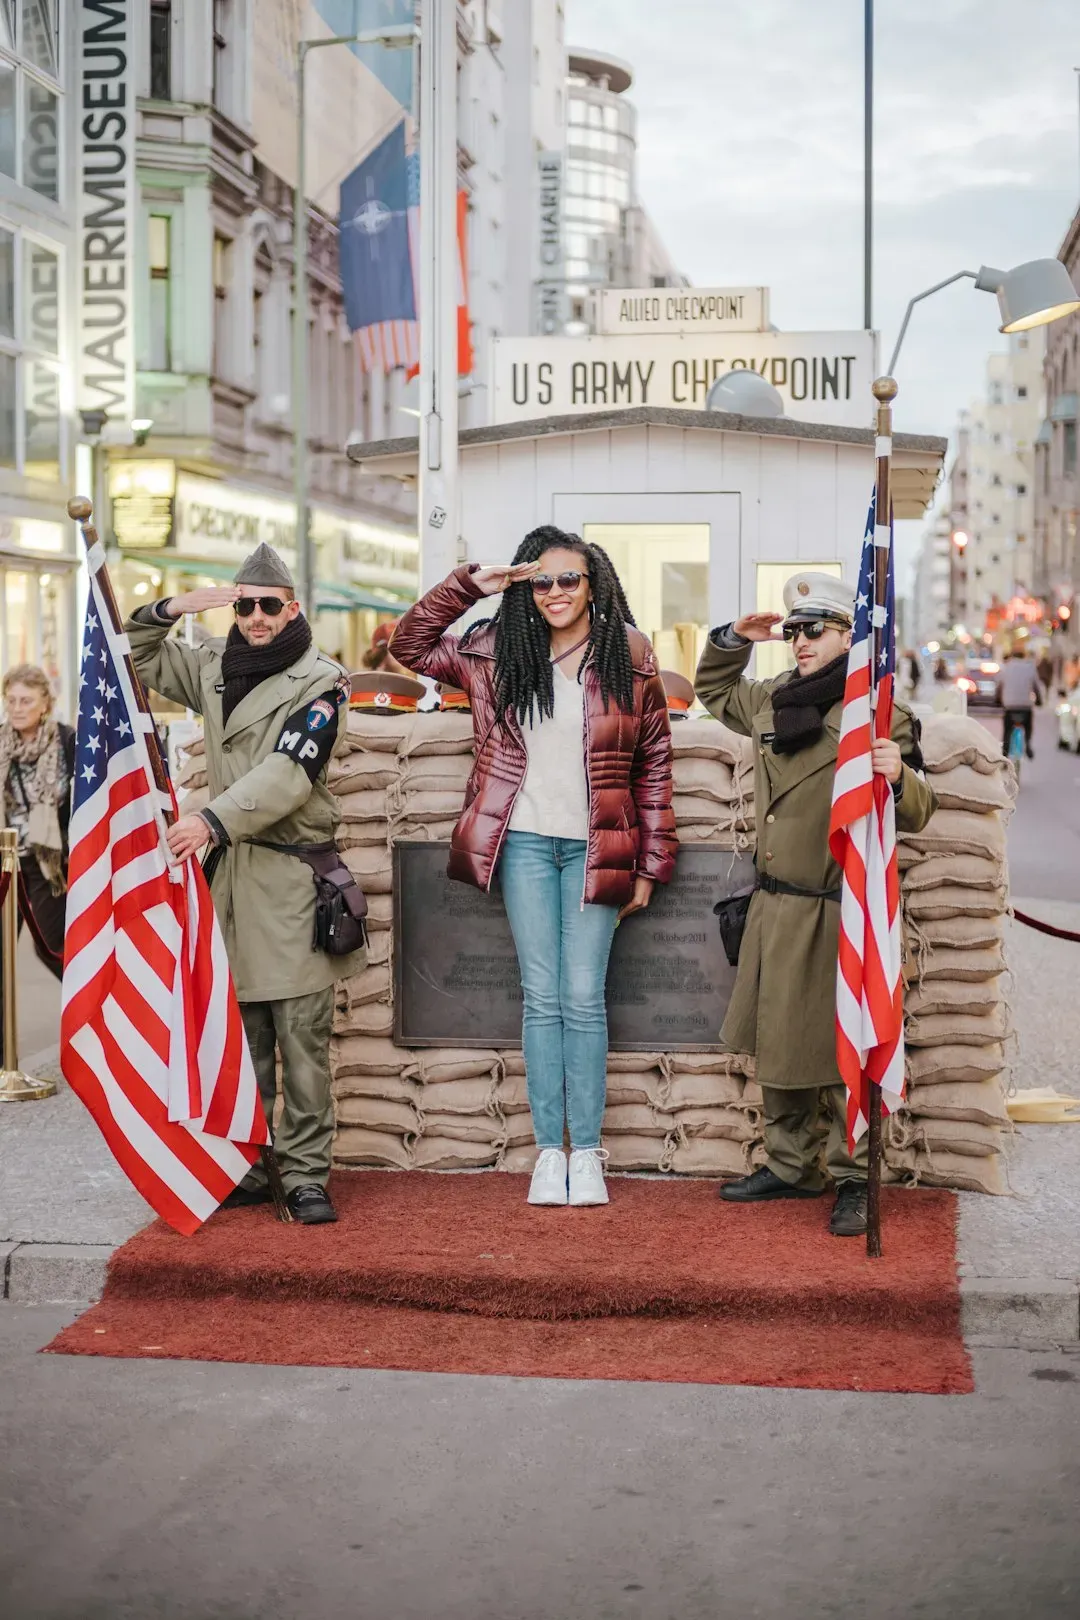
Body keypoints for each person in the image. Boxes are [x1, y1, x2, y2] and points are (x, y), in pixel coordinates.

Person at [392, 525, 677, 1208]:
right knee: (542, 997)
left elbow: (655, 765)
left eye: (568, 580)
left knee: (583, 999)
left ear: (593, 584)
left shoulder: (630, 656)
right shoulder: (492, 649)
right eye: (541, 580)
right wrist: (472, 585)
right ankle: (550, 1152)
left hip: (596, 846)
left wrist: (652, 862)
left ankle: (590, 1153)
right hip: (519, 843)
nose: (555, 592)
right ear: (526, 585)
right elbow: (408, 646)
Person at [126, 544, 366, 1225]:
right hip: (228, 877)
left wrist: (211, 818)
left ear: (292, 608)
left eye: (269, 605)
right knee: (241, 1037)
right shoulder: (211, 666)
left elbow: (290, 776)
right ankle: (252, 1168)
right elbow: (138, 660)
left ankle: (306, 1174)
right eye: (244, 605)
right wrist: (170, 609)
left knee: (302, 1040)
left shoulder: (320, 682)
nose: (256, 618)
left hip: (288, 875)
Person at [694, 572, 938, 1237]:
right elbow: (714, 690)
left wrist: (899, 774)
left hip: (839, 907)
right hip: (776, 904)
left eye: (815, 631)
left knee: (839, 1050)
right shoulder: (773, 699)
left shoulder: (877, 709)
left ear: (848, 636)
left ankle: (855, 1175)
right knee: (777, 1041)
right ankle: (791, 1164)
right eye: (793, 631)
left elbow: (918, 812)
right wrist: (731, 641)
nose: (798, 643)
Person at [0, 664, 74, 977]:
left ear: (45, 702)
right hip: (6, 858)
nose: (17, 708)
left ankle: (86, 1014)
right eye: (11, 700)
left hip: (49, 860)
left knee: (52, 944)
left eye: (26, 700)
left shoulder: (68, 742)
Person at [996, 644, 1042, 760]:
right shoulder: (1030, 667)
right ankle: (1028, 744)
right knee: (1028, 725)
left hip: (1010, 706)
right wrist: (1039, 701)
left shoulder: (1006, 667)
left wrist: (997, 700)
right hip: (1025, 706)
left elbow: (999, 686)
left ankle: (1004, 752)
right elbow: (1036, 687)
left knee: (1007, 731)